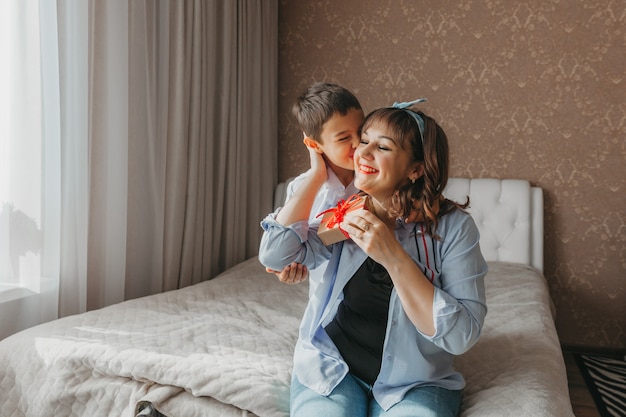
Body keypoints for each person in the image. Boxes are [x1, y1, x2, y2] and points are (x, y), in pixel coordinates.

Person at [258, 99, 488, 417]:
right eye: (363, 141)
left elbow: (461, 336)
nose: (362, 153)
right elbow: (277, 254)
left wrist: (393, 255)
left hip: (416, 383)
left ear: (416, 169)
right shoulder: (348, 211)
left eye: (383, 147)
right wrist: (315, 173)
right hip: (334, 368)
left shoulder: (454, 229)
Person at [267, 82, 364, 286]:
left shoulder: (376, 177)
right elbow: (281, 252)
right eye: (344, 138)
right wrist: (317, 175)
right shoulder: (301, 188)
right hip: (326, 296)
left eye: (362, 132)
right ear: (314, 145)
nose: (357, 143)